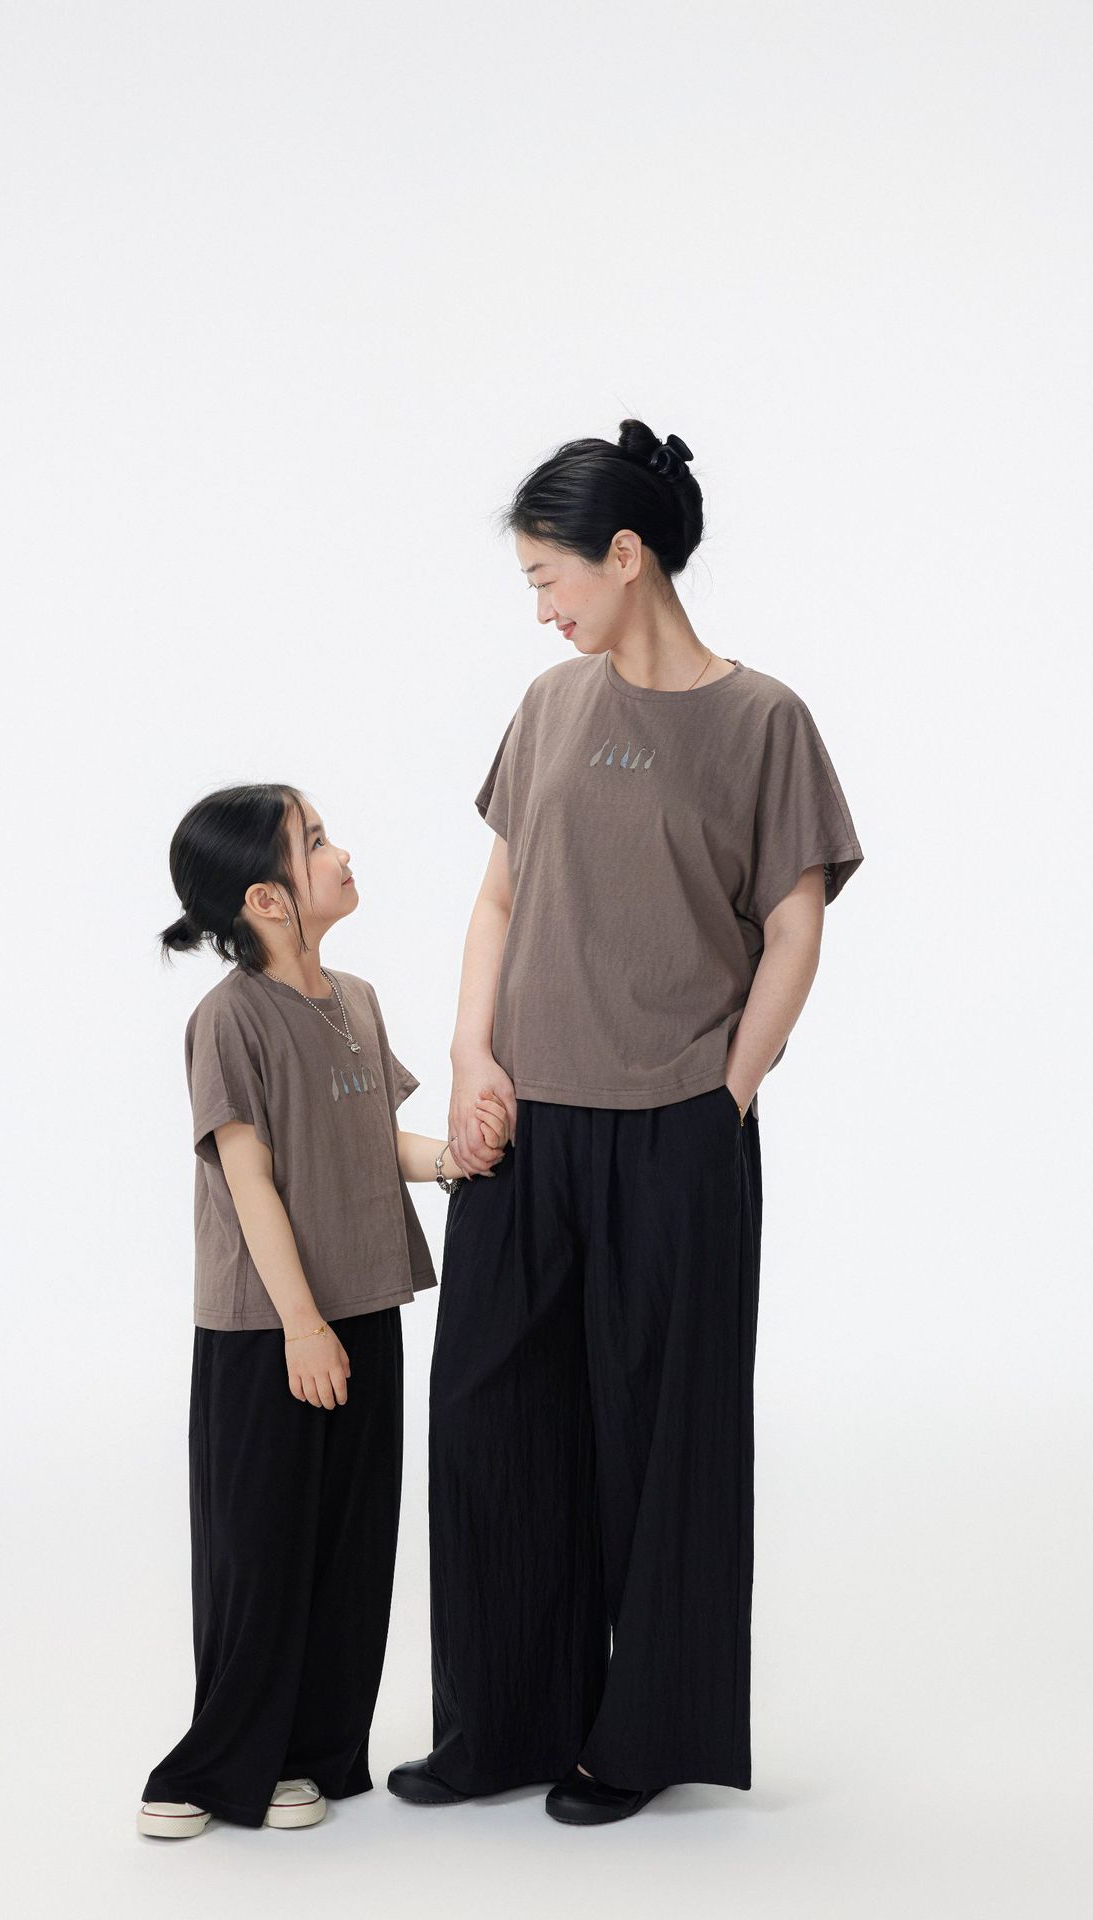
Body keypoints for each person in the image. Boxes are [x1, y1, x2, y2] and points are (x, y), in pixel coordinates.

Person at [388, 420, 865, 1826]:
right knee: (490, 1421)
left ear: (625, 553)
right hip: (522, 1124)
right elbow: (498, 897)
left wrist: (730, 1093)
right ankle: (501, 1724)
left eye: (549, 578)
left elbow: (795, 928)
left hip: (674, 1127)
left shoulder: (762, 720)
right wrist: (469, 1054)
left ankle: (638, 1737)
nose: (540, 609)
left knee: (661, 1440)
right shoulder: (548, 704)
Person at [138, 782, 508, 1836]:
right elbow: (247, 1179)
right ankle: (210, 1769)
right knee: (259, 1554)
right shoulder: (227, 1021)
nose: (340, 853)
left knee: (350, 1550)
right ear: (266, 899)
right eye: (314, 843)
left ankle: (306, 1755)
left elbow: (371, 1144)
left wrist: (460, 1159)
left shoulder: (356, 999)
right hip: (269, 1331)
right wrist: (301, 1326)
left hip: (365, 1308)